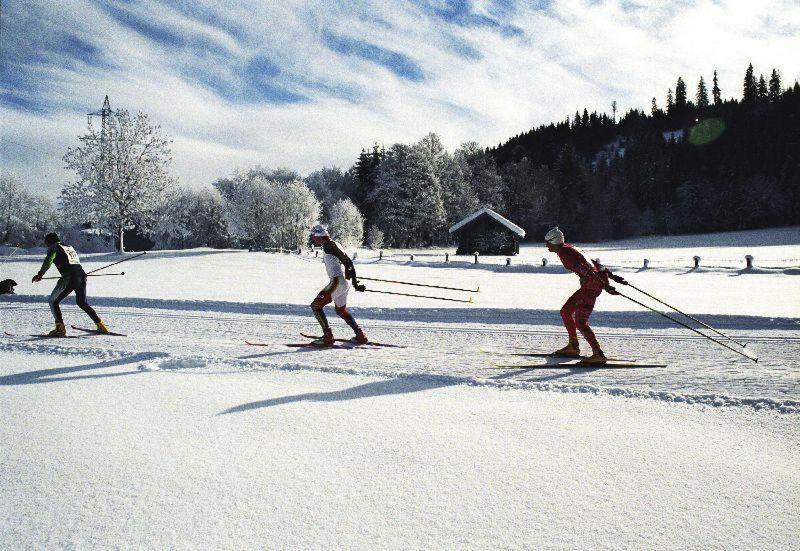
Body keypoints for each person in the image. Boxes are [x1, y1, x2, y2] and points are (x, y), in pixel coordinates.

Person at [545, 226, 621, 364]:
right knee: (566, 312)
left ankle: (598, 354)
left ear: (554, 241)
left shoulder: (565, 253)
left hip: (590, 288)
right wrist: (612, 276)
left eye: (548, 242)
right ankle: (573, 346)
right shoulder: (569, 247)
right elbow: (595, 264)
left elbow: (588, 271)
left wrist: (606, 285)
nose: (546, 246)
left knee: (580, 322)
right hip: (589, 285)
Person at [31, 232, 110, 336]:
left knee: (53, 301)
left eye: (47, 244)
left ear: (49, 242)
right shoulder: (69, 247)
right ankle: (101, 326)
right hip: (82, 276)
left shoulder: (54, 247)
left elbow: (48, 260)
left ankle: (60, 329)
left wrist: (40, 274)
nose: (47, 246)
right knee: (82, 303)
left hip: (70, 278)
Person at [309, 224, 368, 346]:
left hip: (337, 281)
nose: (313, 239)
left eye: (314, 236)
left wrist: (355, 282)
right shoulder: (332, 244)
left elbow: (347, 261)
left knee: (316, 305)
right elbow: (347, 262)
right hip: (343, 282)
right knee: (341, 310)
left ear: (320, 235)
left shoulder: (329, 245)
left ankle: (327, 337)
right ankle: (360, 336)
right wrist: (354, 282)